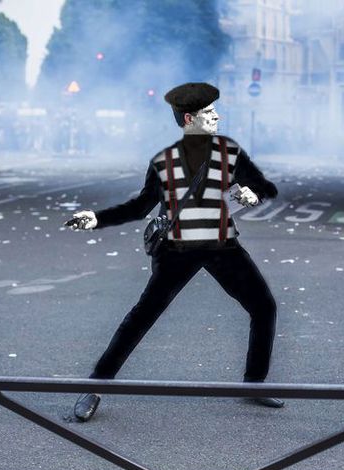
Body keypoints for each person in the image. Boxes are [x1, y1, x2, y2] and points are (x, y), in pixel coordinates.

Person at [68, 82, 282, 422]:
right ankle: (96, 385)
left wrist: (251, 194)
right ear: (189, 118)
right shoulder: (164, 163)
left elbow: (264, 186)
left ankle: (254, 382)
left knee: (264, 306)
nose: (217, 117)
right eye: (209, 113)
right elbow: (140, 207)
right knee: (141, 317)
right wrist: (96, 218)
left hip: (221, 245)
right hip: (177, 249)